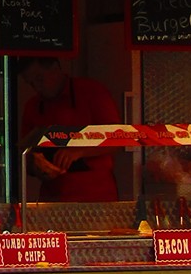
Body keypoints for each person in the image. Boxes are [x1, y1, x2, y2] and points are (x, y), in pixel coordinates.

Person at [20, 57, 119, 202]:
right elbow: (24, 152)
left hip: (97, 196)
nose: (37, 87)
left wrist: (78, 151)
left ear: (55, 69)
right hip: (52, 198)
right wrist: (36, 166)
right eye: (31, 84)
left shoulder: (92, 92)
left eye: (39, 79)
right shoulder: (33, 106)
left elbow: (117, 137)